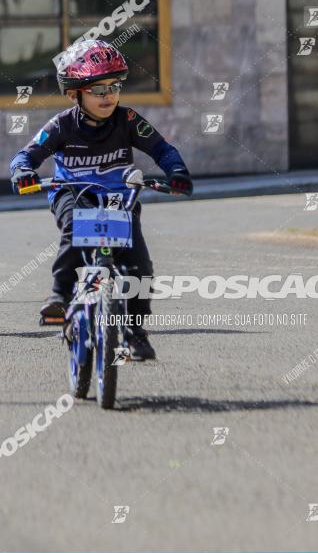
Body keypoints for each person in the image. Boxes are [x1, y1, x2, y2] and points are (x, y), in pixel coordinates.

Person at [10, 40, 192, 361]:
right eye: (97, 90)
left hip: (120, 199)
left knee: (140, 265)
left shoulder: (129, 120)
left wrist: (176, 170)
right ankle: (60, 295)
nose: (108, 96)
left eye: (114, 87)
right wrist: (22, 171)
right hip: (73, 193)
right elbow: (26, 155)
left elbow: (163, 149)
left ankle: (135, 332)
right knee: (75, 229)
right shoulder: (62, 125)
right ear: (74, 93)